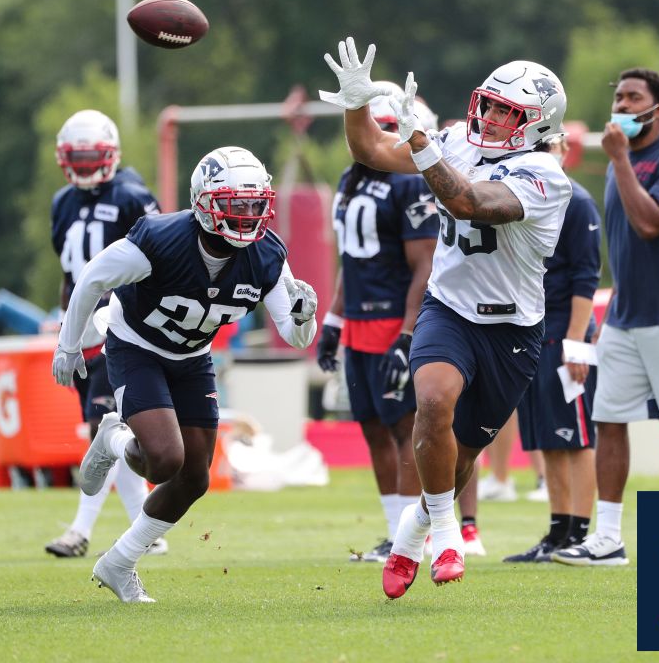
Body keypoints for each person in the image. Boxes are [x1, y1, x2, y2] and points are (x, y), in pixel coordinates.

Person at [320, 38, 571, 596]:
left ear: (536, 124)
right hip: (449, 309)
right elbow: (370, 151)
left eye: (509, 112)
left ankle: (413, 534)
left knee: (461, 454)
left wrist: (422, 145)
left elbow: (471, 203)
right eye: (490, 103)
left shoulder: (545, 174)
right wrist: (356, 102)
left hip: (512, 327)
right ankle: (447, 535)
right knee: (431, 403)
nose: (491, 117)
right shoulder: (458, 138)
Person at [51, 146, 318, 603]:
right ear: (206, 203)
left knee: (195, 476)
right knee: (165, 460)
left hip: (193, 357)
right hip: (137, 346)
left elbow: (294, 337)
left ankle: (118, 563)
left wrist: (306, 316)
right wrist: (68, 345)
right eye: (237, 205)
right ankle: (114, 439)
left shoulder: (267, 255)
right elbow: (92, 278)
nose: (249, 216)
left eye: (256, 204)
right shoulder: (161, 238)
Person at [552, 68, 659, 567]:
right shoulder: (618, 163)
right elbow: (625, 249)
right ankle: (608, 538)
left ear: (658, 111)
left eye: (634, 98)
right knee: (608, 418)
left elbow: (650, 224)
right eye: (619, 97)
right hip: (628, 319)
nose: (623, 105)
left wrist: (621, 161)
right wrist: (613, 313)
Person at [317, 84, 485, 563]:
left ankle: (420, 536)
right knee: (372, 426)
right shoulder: (352, 179)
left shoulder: (410, 180)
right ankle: (395, 532)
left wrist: (408, 332)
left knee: (408, 429)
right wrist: (333, 317)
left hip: (397, 318)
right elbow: (352, 258)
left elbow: (425, 263)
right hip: (359, 322)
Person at [42, 109, 167, 559]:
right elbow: (69, 275)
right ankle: (145, 528)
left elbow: (160, 262)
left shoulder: (134, 196)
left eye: (92, 155)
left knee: (103, 428)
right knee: (112, 430)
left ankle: (80, 530)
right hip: (82, 332)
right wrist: (66, 333)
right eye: (77, 157)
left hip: (119, 324)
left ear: (111, 154)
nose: (85, 165)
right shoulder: (63, 203)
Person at [501, 133, 602, 564]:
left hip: (565, 331)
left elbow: (586, 276)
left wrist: (577, 343)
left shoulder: (576, 202)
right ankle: (558, 531)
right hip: (530, 329)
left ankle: (580, 531)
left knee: (576, 436)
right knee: (547, 436)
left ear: (561, 150)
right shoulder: (522, 197)